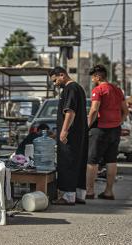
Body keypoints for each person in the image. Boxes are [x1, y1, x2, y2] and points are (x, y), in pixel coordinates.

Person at [86, 65, 128, 200]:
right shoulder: (117, 90)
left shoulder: (98, 90)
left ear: (98, 76)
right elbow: (125, 111)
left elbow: (94, 110)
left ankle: (89, 191)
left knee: (92, 161)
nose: (92, 80)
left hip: (100, 129)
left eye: (93, 77)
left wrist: (86, 126)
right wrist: (118, 122)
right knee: (111, 160)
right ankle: (109, 192)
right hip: (115, 130)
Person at [49, 67, 88, 205]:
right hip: (80, 133)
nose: (55, 84)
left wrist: (64, 131)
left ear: (62, 75)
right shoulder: (79, 88)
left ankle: (67, 196)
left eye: (55, 80)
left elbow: (70, 112)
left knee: (67, 162)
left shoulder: (70, 88)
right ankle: (79, 194)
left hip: (71, 135)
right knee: (78, 162)